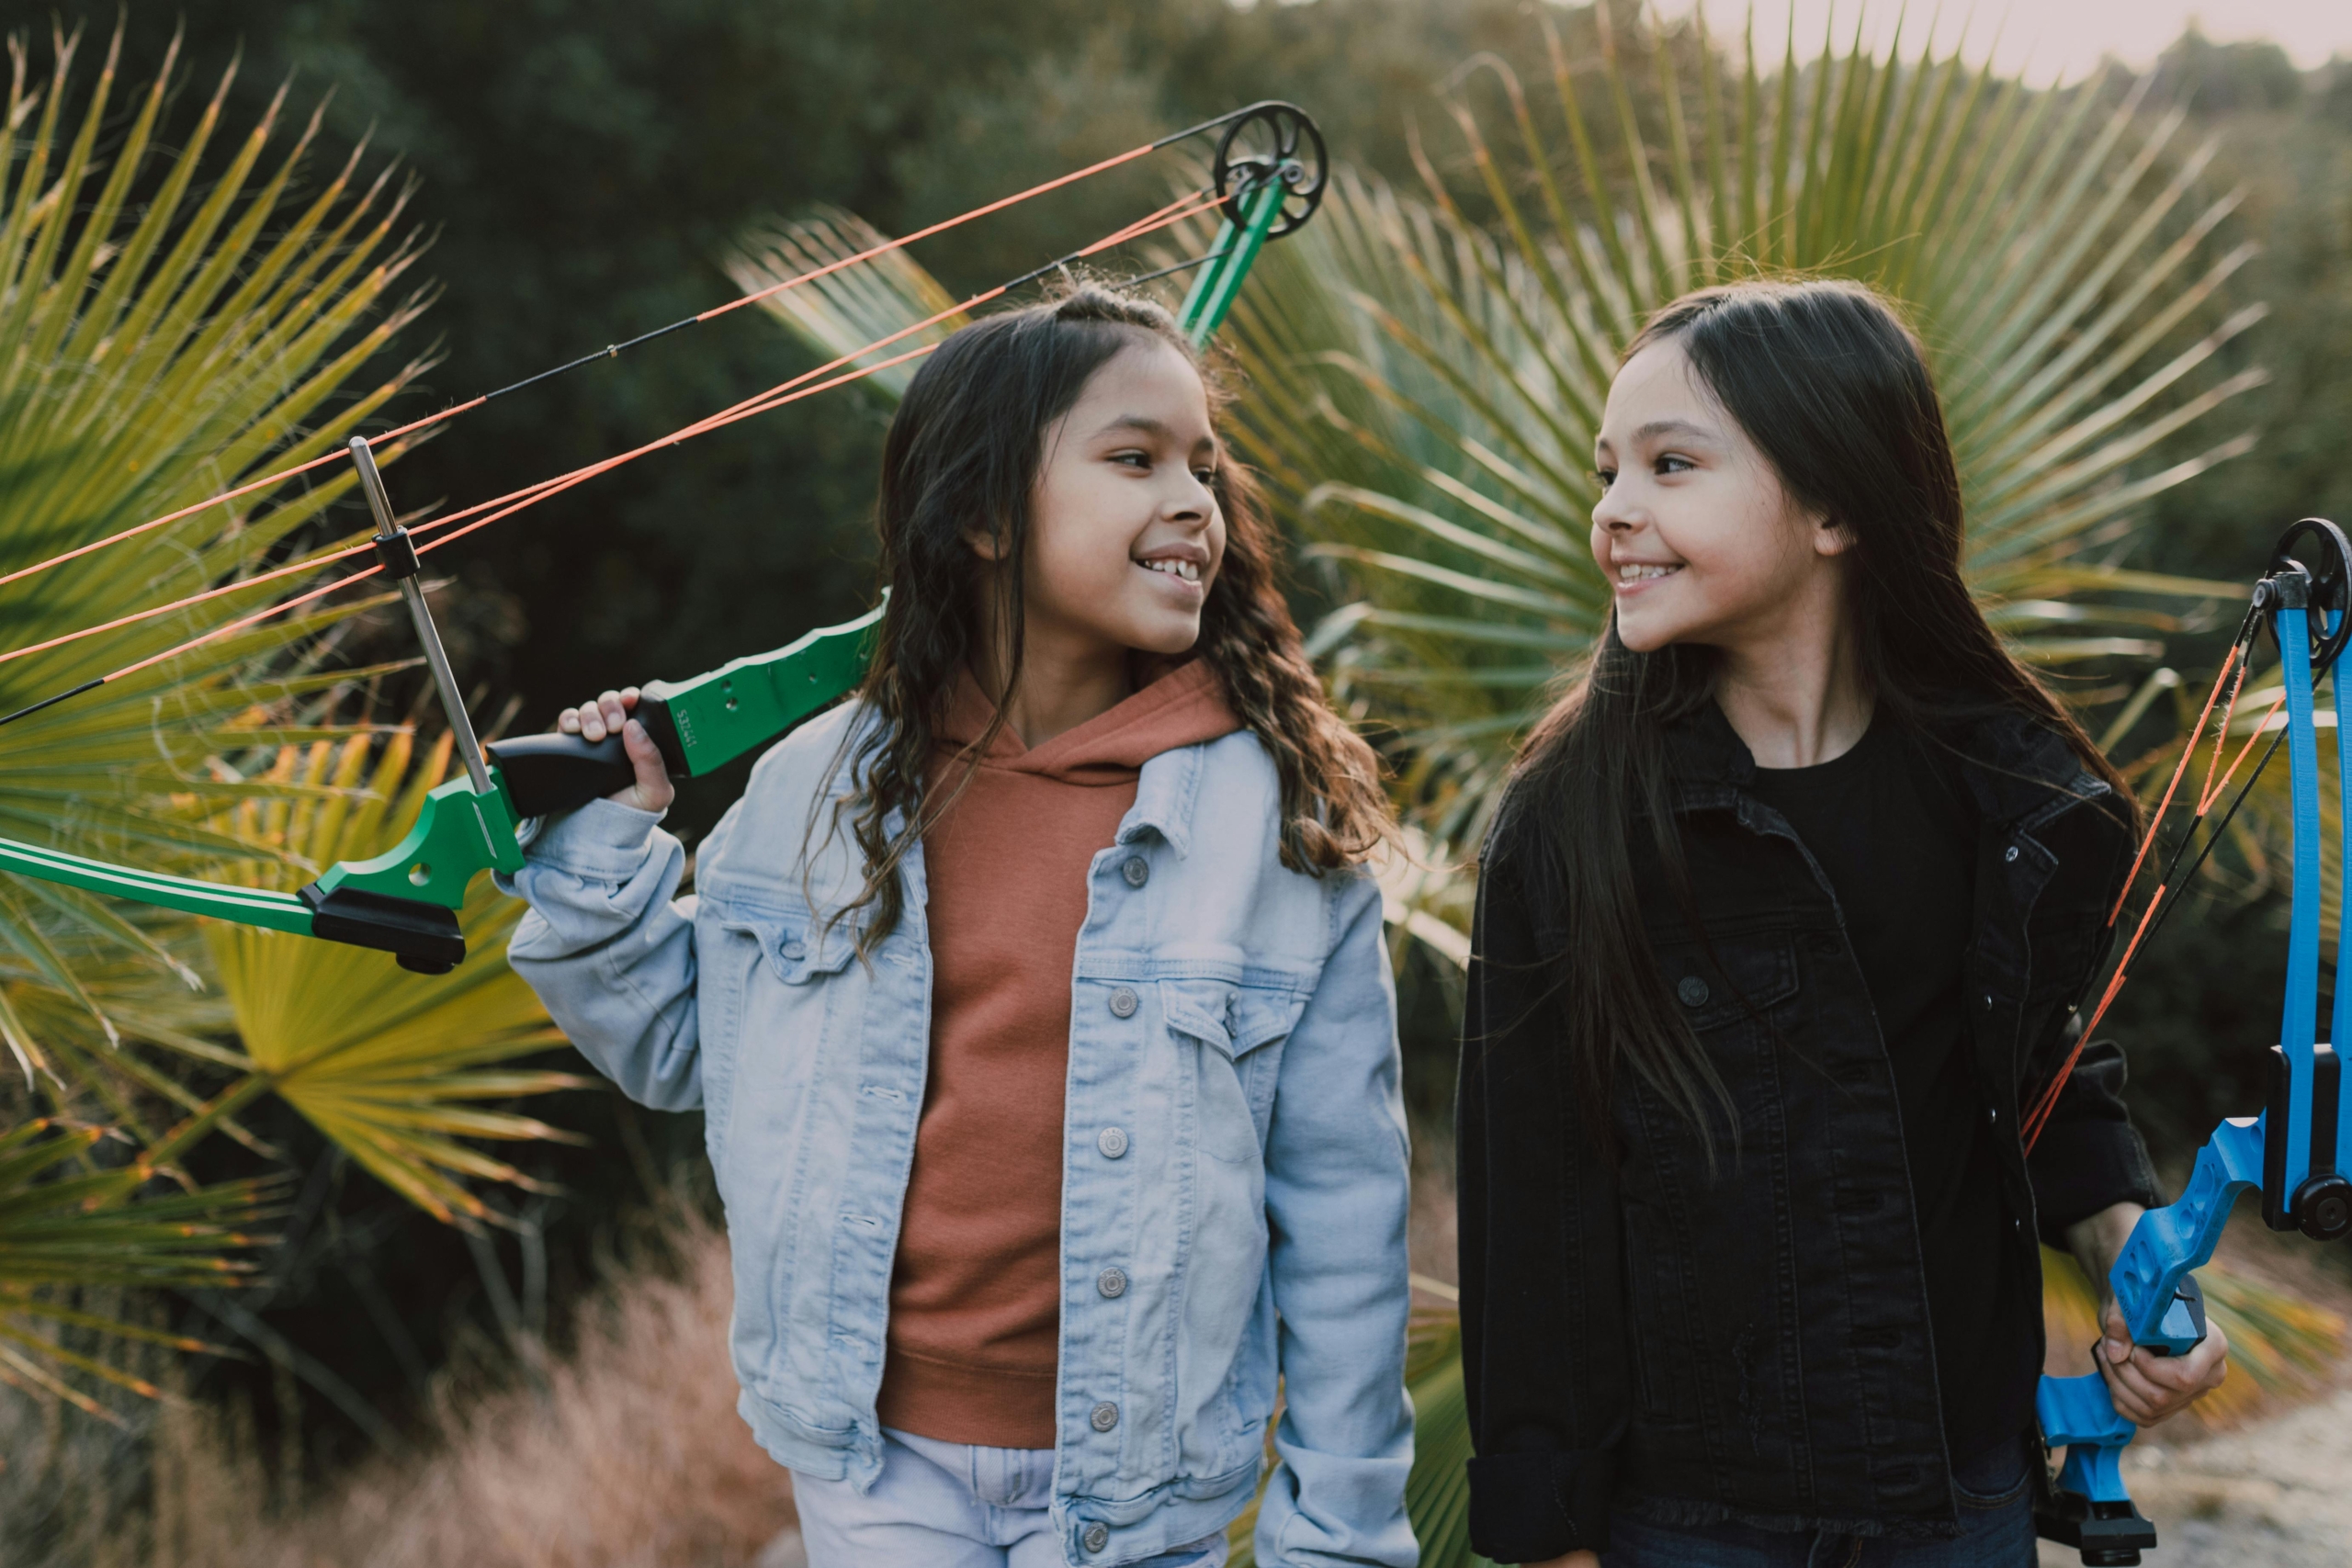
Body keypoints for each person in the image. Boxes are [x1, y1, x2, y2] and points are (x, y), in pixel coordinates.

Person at [501, 286, 1416, 1568]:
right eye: (1135, 458)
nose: (1195, 501)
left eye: (1205, 465)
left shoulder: (1278, 828)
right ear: (983, 517)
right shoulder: (822, 786)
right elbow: (679, 1039)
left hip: (1138, 1487)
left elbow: (1343, 1227)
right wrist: (604, 840)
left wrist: (1340, 1534)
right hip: (878, 1466)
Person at [1455, 279, 2231, 1568]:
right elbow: (1531, 1218)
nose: (1614, 514)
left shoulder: (2001, 795)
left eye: (1673, 465)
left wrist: (2137, 1259)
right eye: (1610, 473)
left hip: (1960, 1503)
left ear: (1835, 508)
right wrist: (1553, 1545)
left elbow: (2042, 1078)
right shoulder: (1570, 820)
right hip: (1686, 1523)